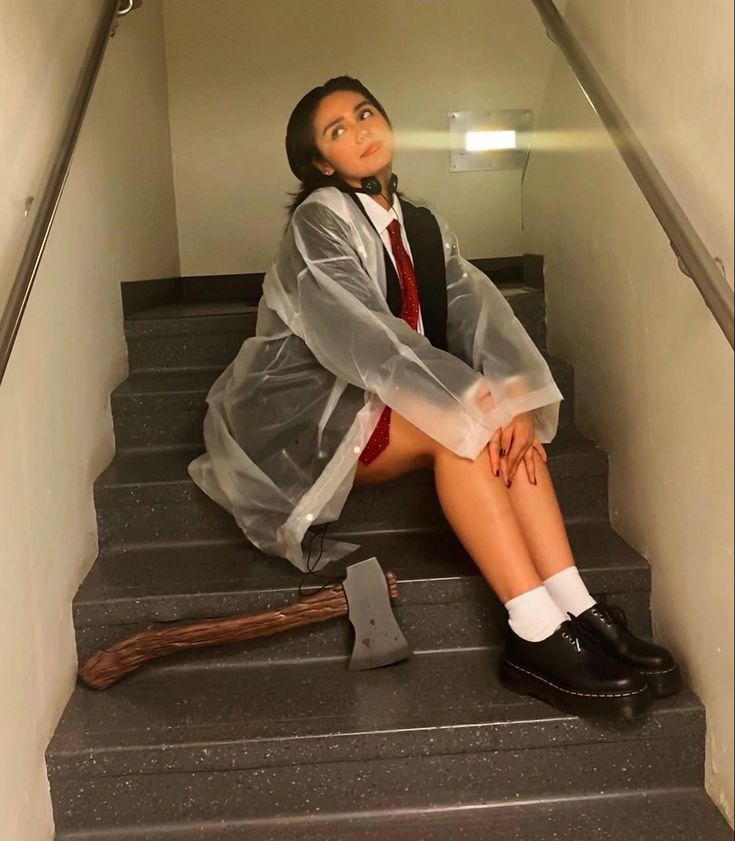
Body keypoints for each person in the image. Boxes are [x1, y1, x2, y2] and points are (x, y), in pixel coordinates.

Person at [189, 76, 680, 719]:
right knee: (469, 435)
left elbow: (475, 309)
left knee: (505, 431)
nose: (360, 131)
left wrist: (514, 399)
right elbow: (363, 336)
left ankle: (578, 609)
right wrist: (478, 402)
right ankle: (533, 633)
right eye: (337, 131)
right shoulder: (320, 222)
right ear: (320, 163)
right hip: (317, 413)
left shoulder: (420, 223)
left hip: (401, 394)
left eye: (366, 114)